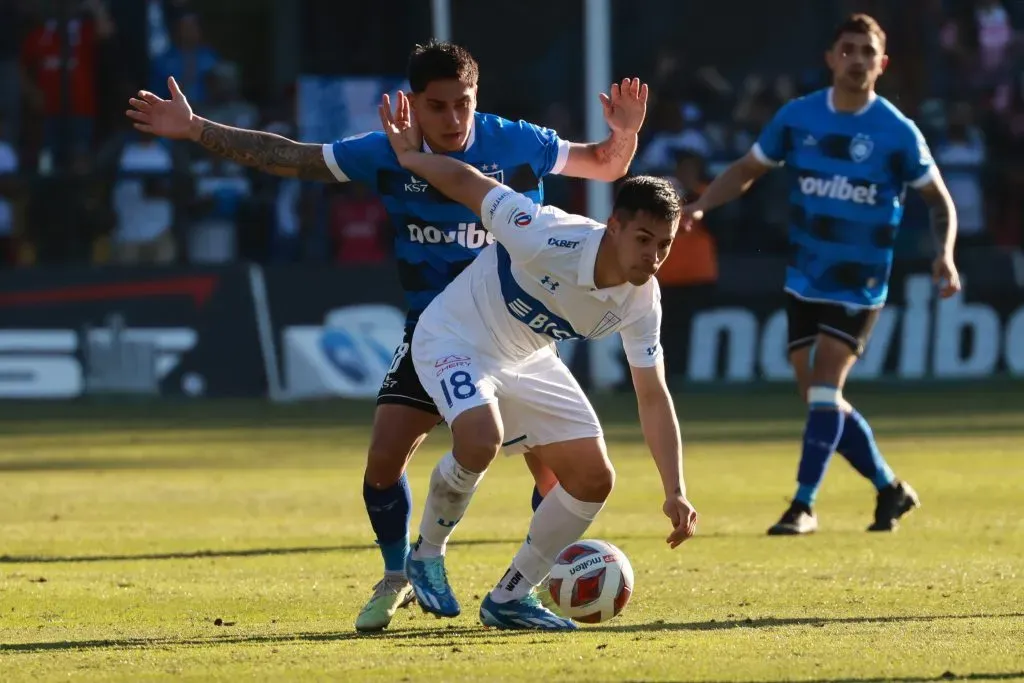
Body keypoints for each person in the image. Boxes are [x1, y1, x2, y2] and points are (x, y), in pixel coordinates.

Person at [126, 40, 649, 630]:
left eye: (463, 104)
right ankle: (400, 573)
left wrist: (624, 133)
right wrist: (197, 129)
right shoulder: (385, 152)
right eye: (437, 106)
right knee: (383, 462)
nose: (453, 119)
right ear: (413, 105)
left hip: (516, 334)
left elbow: (605, 164)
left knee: (556, 474)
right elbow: (293, 159)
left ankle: (527, 585)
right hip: (438, 330)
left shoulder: (519, 142)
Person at [376, 90, 698, 631]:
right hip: (454, 335)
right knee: (479, 437)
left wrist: (675, 490)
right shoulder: (548, 235)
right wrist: (411, 158)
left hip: (525, 357)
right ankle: (426, 555)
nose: (654, 256)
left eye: (664, 245)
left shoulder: (644, 300)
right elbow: (470, 184)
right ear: (614, 226)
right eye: (644, 239)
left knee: (594, 478)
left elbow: (652, 393)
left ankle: (509, 597)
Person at [682, 14, 961, 536]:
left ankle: (803, 505)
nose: (857, 59)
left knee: (826, 387)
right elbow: (747, 169)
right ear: (831, 58)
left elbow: (938, 200)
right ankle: (889, 489)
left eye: (867, 51)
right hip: (805, 276)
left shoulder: (896, 131)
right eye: (848, 49)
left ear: (882, 63)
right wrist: (702, 205)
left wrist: (944, 255)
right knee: (817, 397)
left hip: (861, 282)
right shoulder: (799, 118)